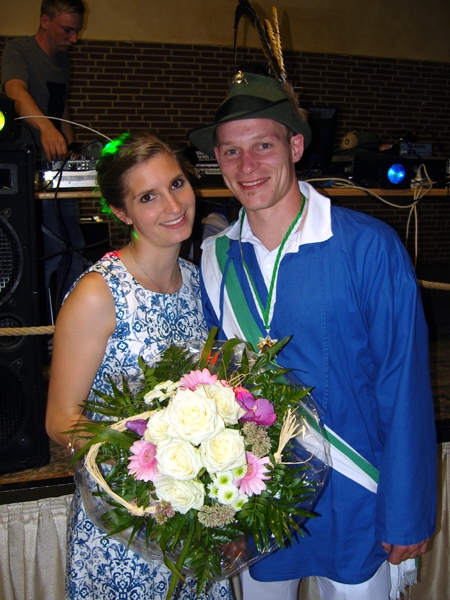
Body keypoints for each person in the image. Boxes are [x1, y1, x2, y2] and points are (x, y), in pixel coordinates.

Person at [188, 71, 437, 600]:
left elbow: (404, 384)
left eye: (263, 145)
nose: (247, 166)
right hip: (257, 498)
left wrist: (407, 511)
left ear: (296, 146)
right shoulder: (215, 259)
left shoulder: (368, 246)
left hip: (356, 493)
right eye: (231, 151)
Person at [45, 131, 233, 600]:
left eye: (176, 184)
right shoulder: (98, 293)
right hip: (124, 523)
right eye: (148, 197)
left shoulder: (200, 283)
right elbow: (61, 418)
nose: (173, 205)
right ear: (122, 212)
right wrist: (146, 473)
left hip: (191, 519)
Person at [1, 0, 87, 316]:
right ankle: (37, 327)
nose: (73, 38)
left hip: (57, 170)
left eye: (76, 31)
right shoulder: (19, 50)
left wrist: (70, 146)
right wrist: (46, 128)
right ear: (45, 21)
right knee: (50, 251)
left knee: (74, 250)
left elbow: (61, 107)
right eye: (67, 30)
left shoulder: (63, 62)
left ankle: (71, 324)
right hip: (29, 167)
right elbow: (15, 92)